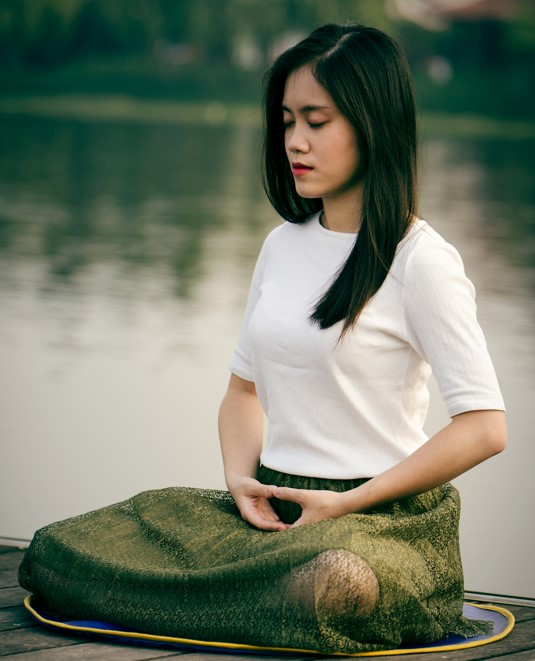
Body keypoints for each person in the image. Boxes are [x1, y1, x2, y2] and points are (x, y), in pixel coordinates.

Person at [19, 23, 506, 655]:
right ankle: (241, 597)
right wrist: (240, 481)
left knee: (332, 583)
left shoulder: (422, 262)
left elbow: (485, 426)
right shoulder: (282, 247)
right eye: (286, 122)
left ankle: (227, 598)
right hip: (272, 513)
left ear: (372, 122)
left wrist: (350, 502)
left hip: (378, 528)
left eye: (316, 121)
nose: (295, 142)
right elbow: (242, 393)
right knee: (61, 549)